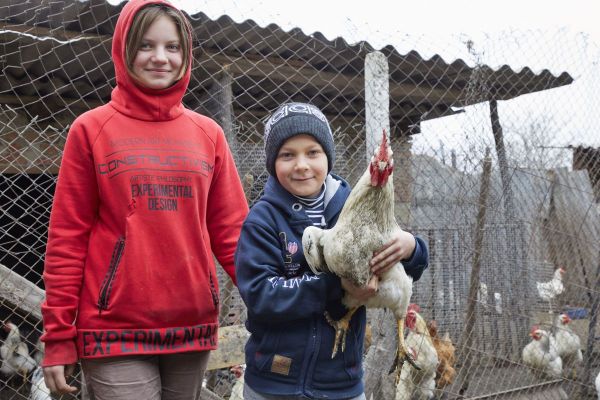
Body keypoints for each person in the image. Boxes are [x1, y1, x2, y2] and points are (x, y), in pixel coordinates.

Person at [40, 1, 249, 398]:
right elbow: (67, 239)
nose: (160, 58)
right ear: (123, 49)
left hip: (191, 327)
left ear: (186, 55)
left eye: (172, 47)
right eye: (146, 46)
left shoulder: (208, 134)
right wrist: (58, 336)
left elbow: (233, 234)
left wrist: (275, 302)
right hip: (113, 331)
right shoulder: (91, 129)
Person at [234, 102, 429, 400]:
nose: (301, 164)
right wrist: (335, 286)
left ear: (328, 157)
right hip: (274, 381)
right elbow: (261, 294)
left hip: (341, 381)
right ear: (273, 162)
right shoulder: (263, 219)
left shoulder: (357, 211)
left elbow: (402, 270)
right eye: (288, 155)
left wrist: (411, 248)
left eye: (313, 152)